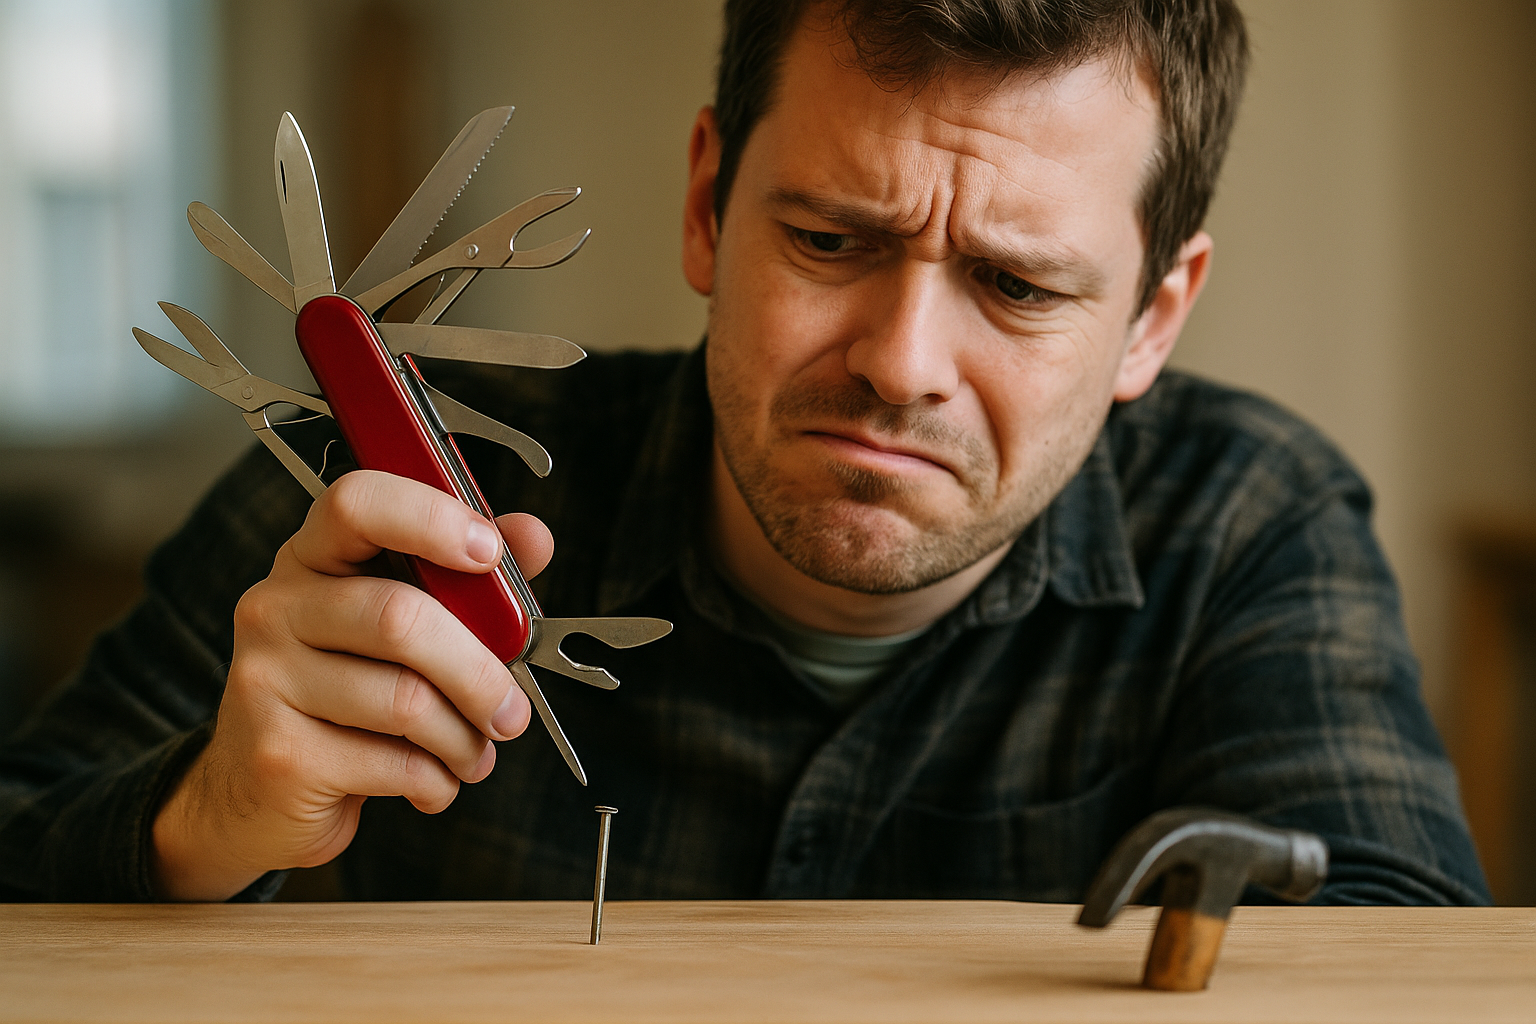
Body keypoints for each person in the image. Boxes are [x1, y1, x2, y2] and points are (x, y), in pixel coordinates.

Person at [0, 0, 1489, 905]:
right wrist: (202, 826)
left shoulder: (1250, 522)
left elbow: (1386, 945)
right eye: (831, 239)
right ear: (710, 204)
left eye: (1019, 285)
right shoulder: (382, 481)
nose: (901, 364)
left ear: (1156, 318)